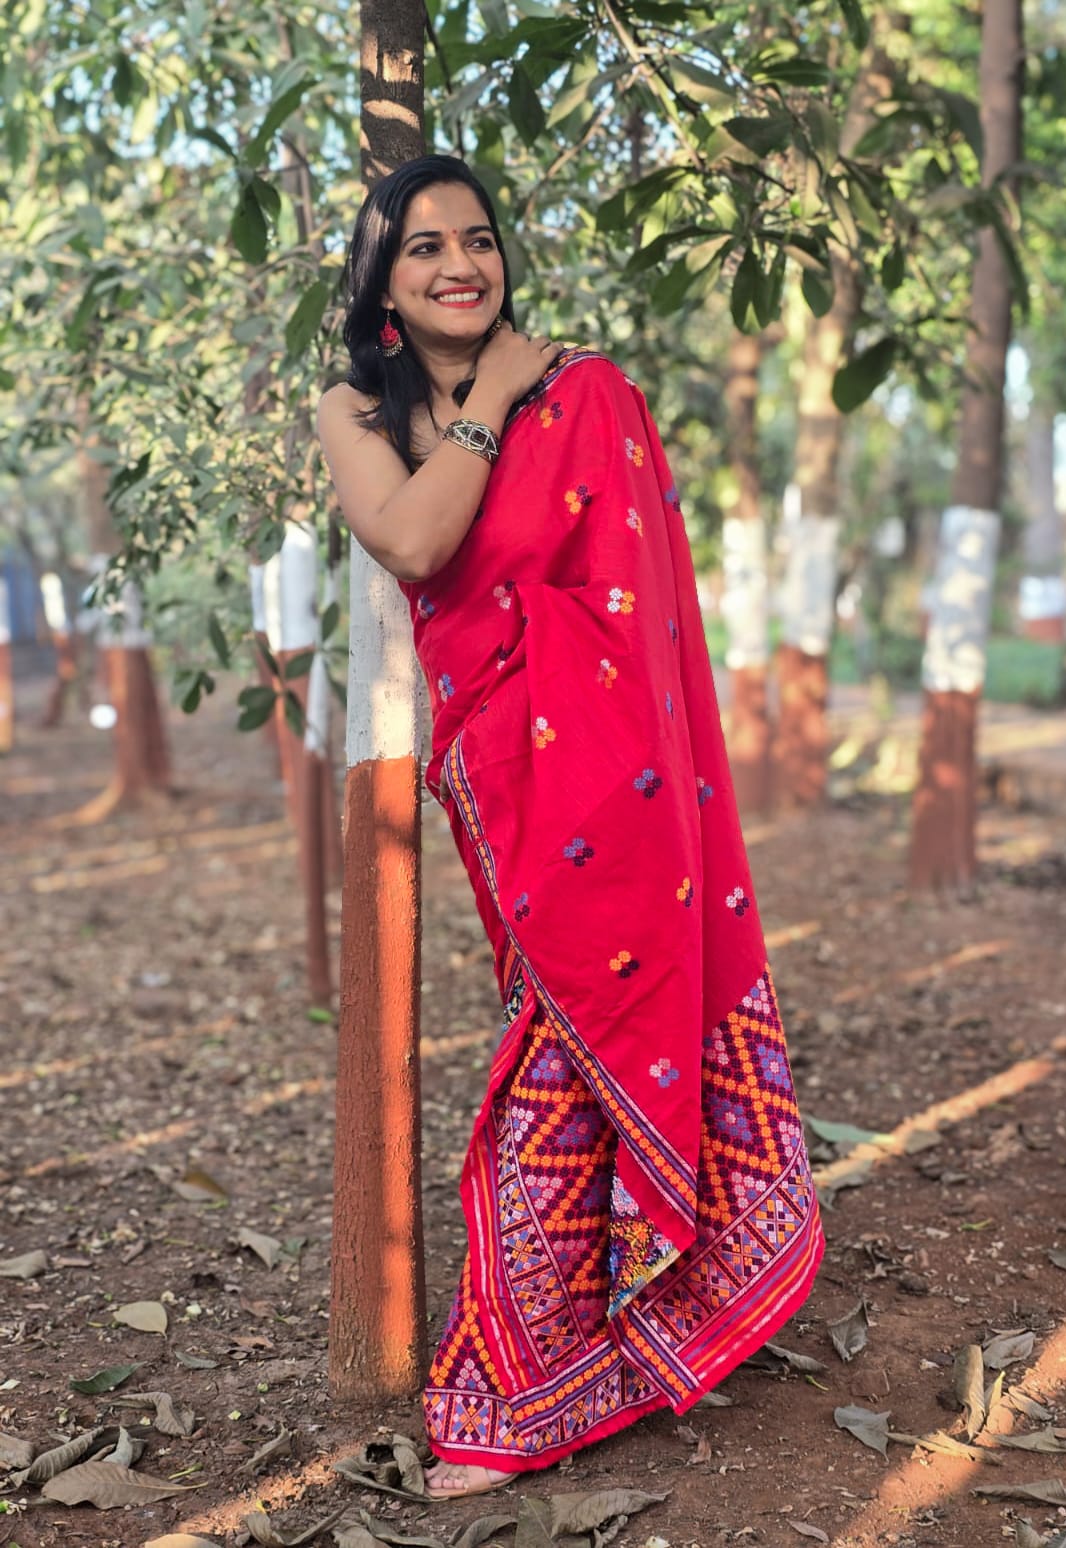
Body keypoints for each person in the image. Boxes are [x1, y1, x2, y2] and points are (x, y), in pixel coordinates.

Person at [317, 154, 824, 1501]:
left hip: (622, 780)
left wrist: (521, 389)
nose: (457, 264)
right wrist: (489, 395)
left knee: (569, 1057)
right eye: (422, 248)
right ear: (380, 285)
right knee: (564, 1045)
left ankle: (527, 1384)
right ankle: (559, 1360)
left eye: (476, 240)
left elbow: (644, 612)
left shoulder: (590, 394)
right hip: (508, 766)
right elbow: (417, 545)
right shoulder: (353, 411)